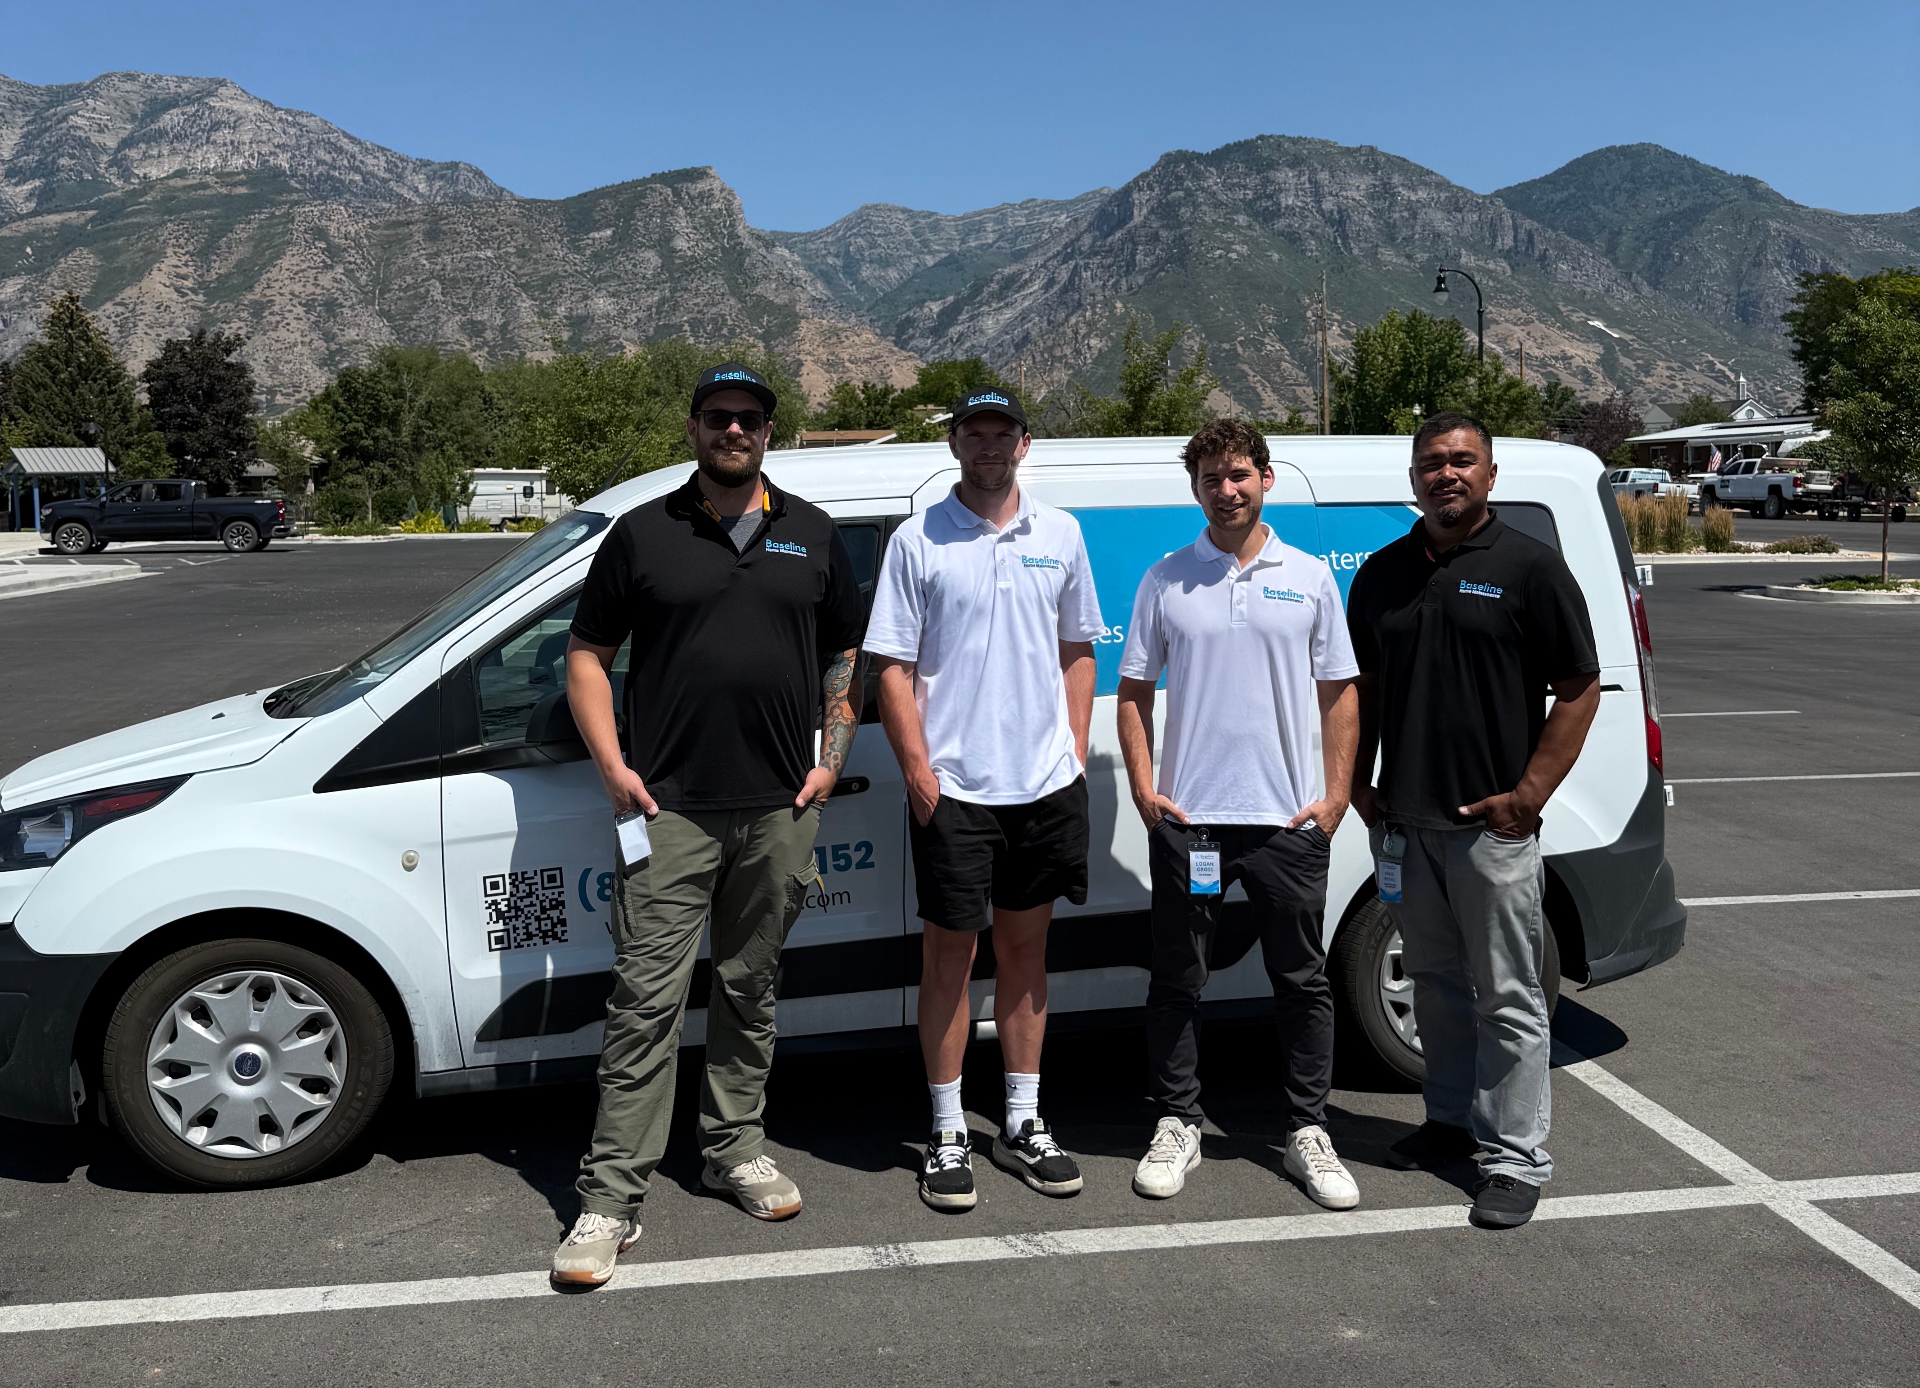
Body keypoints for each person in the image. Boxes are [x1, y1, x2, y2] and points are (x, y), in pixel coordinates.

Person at [551, 363, 866, 1286]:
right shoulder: (643, 533)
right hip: (669, 811)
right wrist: (613, 768)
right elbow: (585, 654)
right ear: (693, 428)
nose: (735, 431)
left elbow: (844, 651)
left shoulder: (809, 533)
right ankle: (610, 1199)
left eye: (751, 418)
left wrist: (828, 761)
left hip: (777, 809)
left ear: (771, 431)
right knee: (644, 1004)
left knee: (749, 987)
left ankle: (734, 1149)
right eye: (719, 417)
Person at [1346, 412, 1600, 1230]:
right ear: (1413, 478)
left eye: (1462, 461)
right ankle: (1450, 1123)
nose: (1445, 474)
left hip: (1493, 831)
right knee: (1436, 988)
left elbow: (1579, 688)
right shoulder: (1383, 574)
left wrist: (1528, 797)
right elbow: (1366, 695)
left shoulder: (1531, 568)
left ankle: (1516, 1158)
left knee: (1511, 997)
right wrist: (1358, 784)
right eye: (1431, 463)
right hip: (1408, 824)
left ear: (1490, 476)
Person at [864, 388, 1104, 1212]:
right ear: (957, 444)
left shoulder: (1062, 534)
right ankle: (945, 1129)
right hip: (956, 792)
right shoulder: (917, 538)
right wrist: (919, 770)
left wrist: (1071, 750)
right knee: (949, 963)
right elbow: (889, 665)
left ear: (1025, 446)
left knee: (1028, 959)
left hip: (1043, 787)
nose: (990, 446)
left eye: (1004, 433)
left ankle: (1024, 1122)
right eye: (976, 433)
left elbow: (1079, 649)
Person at [1115, 420, 1362, 1209]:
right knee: (1178, 980)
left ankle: (1307, 1130)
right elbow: (1131, 693)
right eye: (1213, 479)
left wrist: (1335, 798)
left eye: (1240, 475)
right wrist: (1145, 790)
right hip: (1192, 823)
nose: (1228, 490)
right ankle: (1178, 1121)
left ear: (1267, 480)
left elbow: (1340, 692)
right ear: (1197, 489)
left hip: (1288, 823)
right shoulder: (1164, 578)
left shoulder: (1313, 577)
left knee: (1301, 980)